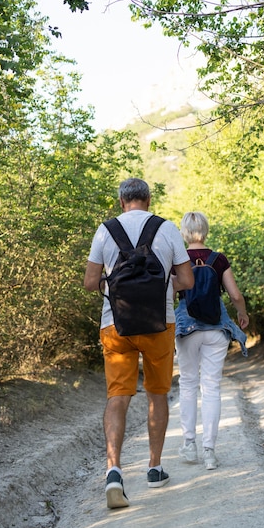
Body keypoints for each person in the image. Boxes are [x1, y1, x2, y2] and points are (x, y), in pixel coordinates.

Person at [84, 178, 194, 509]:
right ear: (149, 199)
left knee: (118, 396)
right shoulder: (167, 228)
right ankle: (154, 468)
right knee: (157, 394)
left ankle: (114, 472)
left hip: (115, 324)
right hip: (159, 324)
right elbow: (187, 280)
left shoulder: (105, 230)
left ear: (121, 202)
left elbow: (90, 283)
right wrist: (163, 280)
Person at [173, 211, 249, 471]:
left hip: (187, 327)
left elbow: (168, 290)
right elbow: (235, 295)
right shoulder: (218, 260)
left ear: (184, 232)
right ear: (205, 230)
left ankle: (189, 444)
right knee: (212, 387)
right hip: (216, 327)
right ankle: (210, 452)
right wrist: (243, 314)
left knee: (188, 384)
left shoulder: (177, 258)